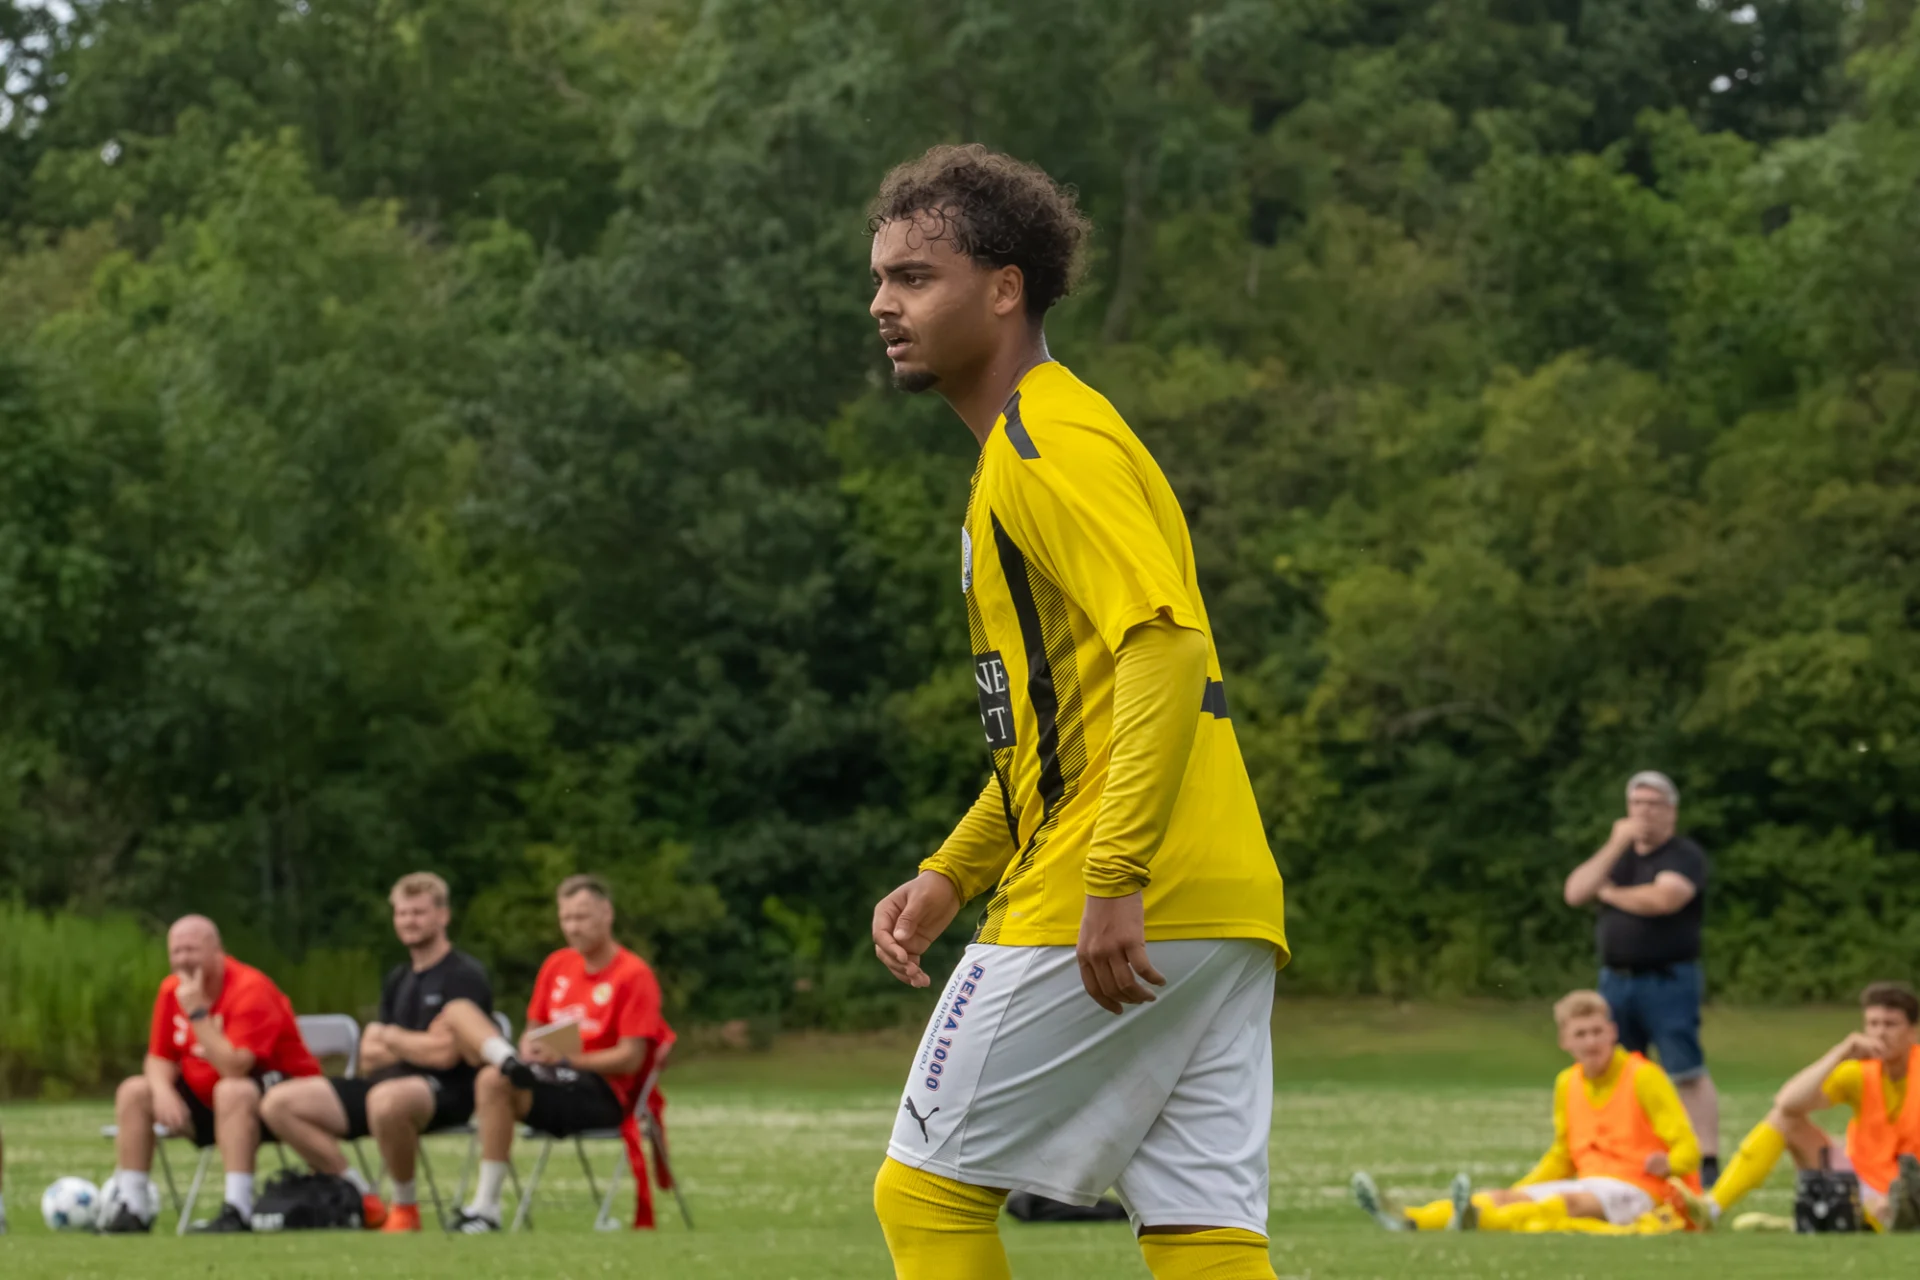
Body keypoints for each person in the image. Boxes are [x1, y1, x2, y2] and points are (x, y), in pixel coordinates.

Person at [865, 144, 1290, 1280]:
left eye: (915, 276)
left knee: (925, 1195)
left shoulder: (1046, 445)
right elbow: (1061, 721)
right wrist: (953, 867)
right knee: (1202, 1223)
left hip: (1113, 890)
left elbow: (1164, 645)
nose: (883, 304)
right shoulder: (1046, 439)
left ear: (1004, 288)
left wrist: (1114, 873)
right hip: (1222, 895)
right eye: (880, 278)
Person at [1352, 990, 1700, 1234]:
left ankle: (1480, 1221)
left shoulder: (1643, 1076)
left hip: (1642, 1189)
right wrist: (1521, 1190)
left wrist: (1670, 1164)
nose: (1592, 1042)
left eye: (1597, 1032)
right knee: (1505, 1197)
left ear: (1613, 1033)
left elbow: (1689, 1148)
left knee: (1568, 1203)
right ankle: (1411, 1218)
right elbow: (1563, 1154)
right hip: (1592, 1185)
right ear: (1565, 1041)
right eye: (1582, 1034)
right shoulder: (1568, 1083)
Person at [434, 874, 670, 1233]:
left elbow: (631, 1058)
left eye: (582, 917)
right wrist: (532, 1047)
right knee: (458, 1011)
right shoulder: (557, 965)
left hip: (602, 1093)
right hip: (549, 1077)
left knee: (492, 1080)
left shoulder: (633, 975)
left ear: (607, 914)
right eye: (566, 918)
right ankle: (510, 1062)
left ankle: (485, 1209)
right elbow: (534, 1028)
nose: (573, 928)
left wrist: (567, 1060)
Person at [259, 872, 494, 1233]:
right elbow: (369, 1054)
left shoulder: (463, 975)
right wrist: (410, 1042)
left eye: (418, 912)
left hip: (444, 1090)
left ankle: (404, 1208)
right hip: (382, 1085)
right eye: (402, 914)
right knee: (279, 1103)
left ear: (442, 916)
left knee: (387, 1099)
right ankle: (359, 1194)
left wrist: (392, 1038)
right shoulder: (398, 978)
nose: (408, 921)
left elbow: (446, 1055)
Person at [101, 915, 321, 1234]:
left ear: (217, 950)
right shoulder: (171, 990)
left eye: (191, 950)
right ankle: (132, 1208)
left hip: (269, 1104)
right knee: (135, 1091)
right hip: (205, 1103)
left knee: (232, 1090)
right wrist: (162, 1091)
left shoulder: (250, 988)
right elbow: (159, 1056)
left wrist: (197, 1013)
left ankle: (237, 1209)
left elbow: (235, 1067)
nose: (183, 960)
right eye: (175, 952)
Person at [1563, 769, 1719, 1184]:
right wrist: (1615, 843)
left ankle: (1704, 1158)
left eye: (1653, 804)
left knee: (1684, 1068)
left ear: (1671, 811)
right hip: (1616, 981)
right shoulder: (1618, 855)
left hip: (1668, 979)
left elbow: (1664, 899)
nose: (1644, 813)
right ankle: (1629, 1153)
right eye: (1637, 804)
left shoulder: (1683, 855)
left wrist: (1611, 894)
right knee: (1620, 1071)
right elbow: (1576, 891)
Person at [1674, 981, 1920, 1232]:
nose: (1879, 1033)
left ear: (1912, 1032)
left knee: (1897, 1202)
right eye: (1873, 1024)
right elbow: (1788, 1101)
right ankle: (1712, 1208)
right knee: (1785, 1120)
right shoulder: (1860, 1072)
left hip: (1910, 1188)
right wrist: (1839, 1053)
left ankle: (1812, 1222)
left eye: (1890, 1025)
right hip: (1861, 1180)